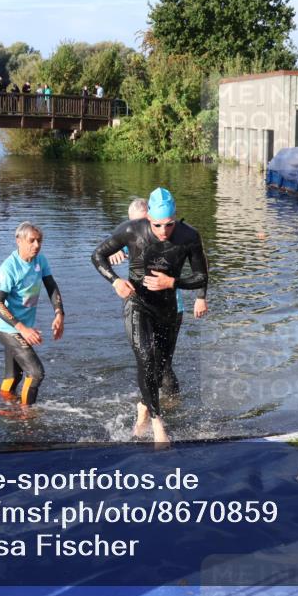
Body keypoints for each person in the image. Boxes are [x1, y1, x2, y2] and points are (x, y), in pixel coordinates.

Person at [92, 188, 208, 445]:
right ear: (148, 219)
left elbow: (201, 276)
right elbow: (98, 255)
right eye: (157, 225)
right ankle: (157, 423)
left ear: (175, 218)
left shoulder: (189, 236)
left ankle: (144, 408)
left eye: (169, 225)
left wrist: (173, 282)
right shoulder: (132, 230)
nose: (163, 231)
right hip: (138, 304)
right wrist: (115, 281)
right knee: (145, 356)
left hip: (168, 310)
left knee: (159, 366)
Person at [108, 198, 207, 393]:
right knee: (146, 358)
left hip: (171, 308)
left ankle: (171, 403)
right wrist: (115, 255)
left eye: (139, 222)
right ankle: (151, 406)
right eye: (132, 223)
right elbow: (116, 250)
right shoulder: (135, 235)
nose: (135, 227)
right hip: (142, 307)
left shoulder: (172, 235)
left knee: (163, 364)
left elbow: (202, 266)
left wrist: (201, 296)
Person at [0, 222, 65, 405]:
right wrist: (22, 329)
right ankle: (27, 415)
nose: (36, 245)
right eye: (31, 241)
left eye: (39, 241)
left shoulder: (40, 260)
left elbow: (51, 286)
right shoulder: (8, 269)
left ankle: (5, 405)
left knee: (14, 376)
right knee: (36, 373)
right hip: (7, 328)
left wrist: (59, 314)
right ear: (18, 241)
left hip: (22, 327)